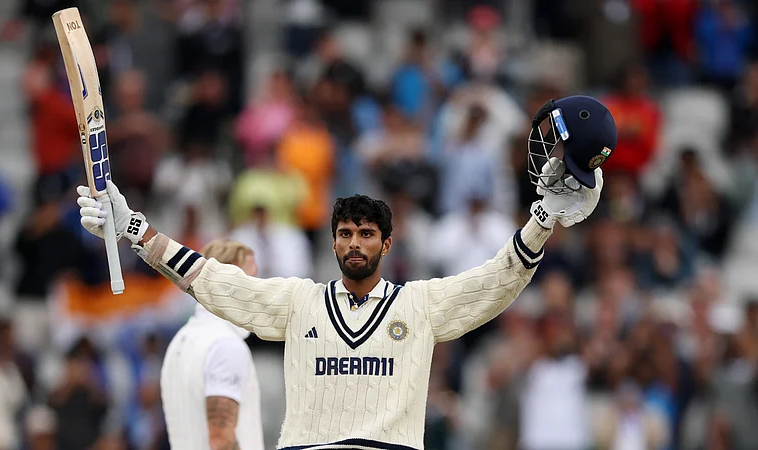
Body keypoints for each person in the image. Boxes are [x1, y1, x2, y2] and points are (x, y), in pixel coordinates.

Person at [76, 95, 616, 450]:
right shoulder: (300, 302)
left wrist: (541, 222)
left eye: (365, 234)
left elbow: (495, 281)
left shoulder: (418, 305)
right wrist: (135, 229)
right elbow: (220, 284)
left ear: (386, 242)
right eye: (345, 233)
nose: (354, 243)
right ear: (333, 241)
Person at [160, 239, 264, 450]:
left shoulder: (180, 340)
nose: (259, 291)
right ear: (225, 283)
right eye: (251, 281)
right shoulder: (226, 345)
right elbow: (220, 439)